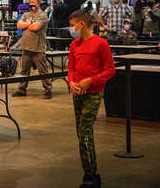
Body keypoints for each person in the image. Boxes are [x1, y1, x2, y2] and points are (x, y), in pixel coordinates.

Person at [67, 10, 115, 188]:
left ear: (81, 24)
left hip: (94, 93)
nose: (72, 28)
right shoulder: (74, 45)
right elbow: (71, 67)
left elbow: (110, 70)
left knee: (85, 130)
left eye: (73, 25)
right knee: (81, 132)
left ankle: (90, 174)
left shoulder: (101, 44)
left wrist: (91, 80)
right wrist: (71, 82)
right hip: (77, 92)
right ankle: (91, 171)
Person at [14, 0, 52, 99]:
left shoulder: (43, 15)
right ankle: (22, 90)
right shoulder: (26, 14)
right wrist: (29, 23)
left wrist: (27, 24)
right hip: (25, 47)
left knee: (43, 71)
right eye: (30, 2)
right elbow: (19, 25)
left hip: (38, 48)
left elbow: (36, 27)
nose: (31, 4)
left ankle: (48, 90)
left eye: (33, 2)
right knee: (24, 71)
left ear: (38, 3)